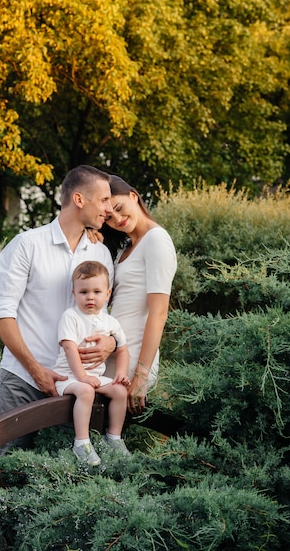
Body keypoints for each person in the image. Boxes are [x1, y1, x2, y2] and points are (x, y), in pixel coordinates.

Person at [0, 165, 117, 452]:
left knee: (66, 478)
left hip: (75, 386)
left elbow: (101, 316)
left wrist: (111, 341)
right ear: (79, 199)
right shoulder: (27, 245)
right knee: (7, 469)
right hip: (22, 381)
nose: (109, 209)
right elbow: (1, 315)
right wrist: (35, 370)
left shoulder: (100, 253)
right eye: (104, 200)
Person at [101, 175, 177, 415]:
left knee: (108, 437)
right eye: (108, 217)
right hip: (114, 353)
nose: (117, 220)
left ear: (134, 196)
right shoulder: (126, 245)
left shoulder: (156, 239)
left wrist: (141, 375)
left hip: (133, 359)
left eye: (120, 209)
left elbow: (159, 312)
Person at [54, 260, 131, 465]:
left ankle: (113, 437)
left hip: (93, 376)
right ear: (74, 293)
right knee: (86, 391)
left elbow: (122, 349)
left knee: (120, 391)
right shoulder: (71, 316)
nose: (90, 297)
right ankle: (82, 443)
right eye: (84, 292)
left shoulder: (110, 322)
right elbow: (70, 349)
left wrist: (121, 373)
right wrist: (83, 377)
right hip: (67, 377)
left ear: (108, 294)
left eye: (97, 292)